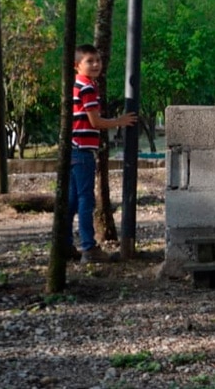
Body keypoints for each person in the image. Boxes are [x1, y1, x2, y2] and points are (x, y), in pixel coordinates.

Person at [70, 44, 137, 264]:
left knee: (70, 202)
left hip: (73, 149)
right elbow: (95, 121)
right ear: (77, 65)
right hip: (82, 150)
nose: (96, 64)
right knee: (85, 200)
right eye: (90, 61)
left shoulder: (76, 85)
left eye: (98, 60)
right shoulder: (87, 87)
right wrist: (120, 121)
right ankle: (89, 248)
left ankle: (66, 245)